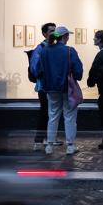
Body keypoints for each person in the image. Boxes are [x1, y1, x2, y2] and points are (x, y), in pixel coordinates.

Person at [33, 26, 83, 155]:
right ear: (65, 37)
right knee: (70, 116)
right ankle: (70, 146)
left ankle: (49, 145)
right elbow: (78, 72)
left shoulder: (44, 51)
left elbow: (38, 71)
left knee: (53, 115)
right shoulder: (70, 51)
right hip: (67, 88)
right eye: (68, 36)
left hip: (50, 88)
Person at [28, 22, 56, 151]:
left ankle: (47, 138)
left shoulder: (54, 47)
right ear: (44, 34)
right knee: (44, 112)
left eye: (55, 31)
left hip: (53, 86)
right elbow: (34, 68)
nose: (54, 33)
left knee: (51, 113)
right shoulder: (40, 49)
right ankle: (38, 140)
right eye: (51, 31)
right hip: (44, 86)